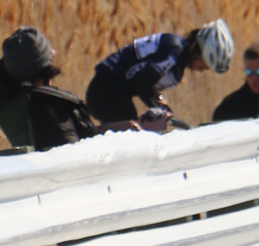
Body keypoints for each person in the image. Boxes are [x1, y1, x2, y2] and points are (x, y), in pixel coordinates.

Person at [0, 26, 150, 150]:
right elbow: (75, 156)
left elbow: (64, 137)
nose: (55, 53)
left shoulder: (18, 100)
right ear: (45, 63)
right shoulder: (50, 106)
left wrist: (113, 129)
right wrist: (143, 133)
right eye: (49, 53)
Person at [85, 21, 235, 125]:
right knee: (129, 135)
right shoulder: (174, 54)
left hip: (111, 90)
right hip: (105, 91)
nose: (202, 71)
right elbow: (141, 84)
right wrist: (158, 105)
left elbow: (145, 83)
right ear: (199, 53)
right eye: (205, 65)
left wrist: (159, 102)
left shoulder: (177, 50)